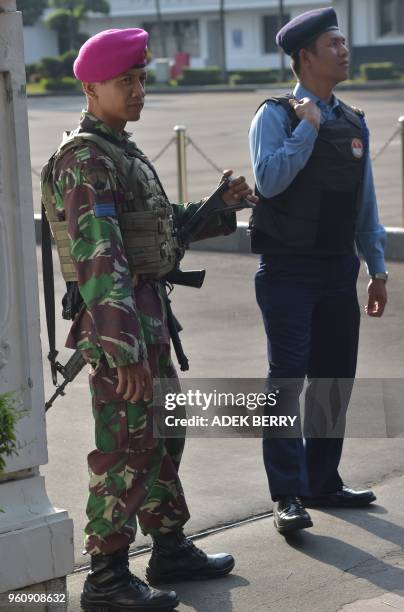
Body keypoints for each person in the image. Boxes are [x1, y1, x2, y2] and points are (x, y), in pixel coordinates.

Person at [42, 28, 257, 611]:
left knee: (164, 435)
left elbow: (151, 229)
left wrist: (220, 209)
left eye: (141, 79)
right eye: (124, 81)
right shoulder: (84, 159)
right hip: (122, 329)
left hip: (146, 317)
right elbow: (99, 255)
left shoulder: (117, 148)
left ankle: (169, 545)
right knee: (127, 446)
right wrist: (122, 347)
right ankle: (107, 577)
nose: (138, 90)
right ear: (91, 87)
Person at [249, 7, 388, 536]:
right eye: (334, 44)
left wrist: (377, 269)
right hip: (286, 270)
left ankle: (322, 480)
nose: (345, 51)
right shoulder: (276, 115)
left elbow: (364, 206)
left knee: (333, 379)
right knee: (286, 381)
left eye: (345, 42)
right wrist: (306, 130)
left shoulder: (354, 121)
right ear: (305, 57)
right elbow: (271, 181)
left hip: (337, 270)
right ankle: (287, 494)